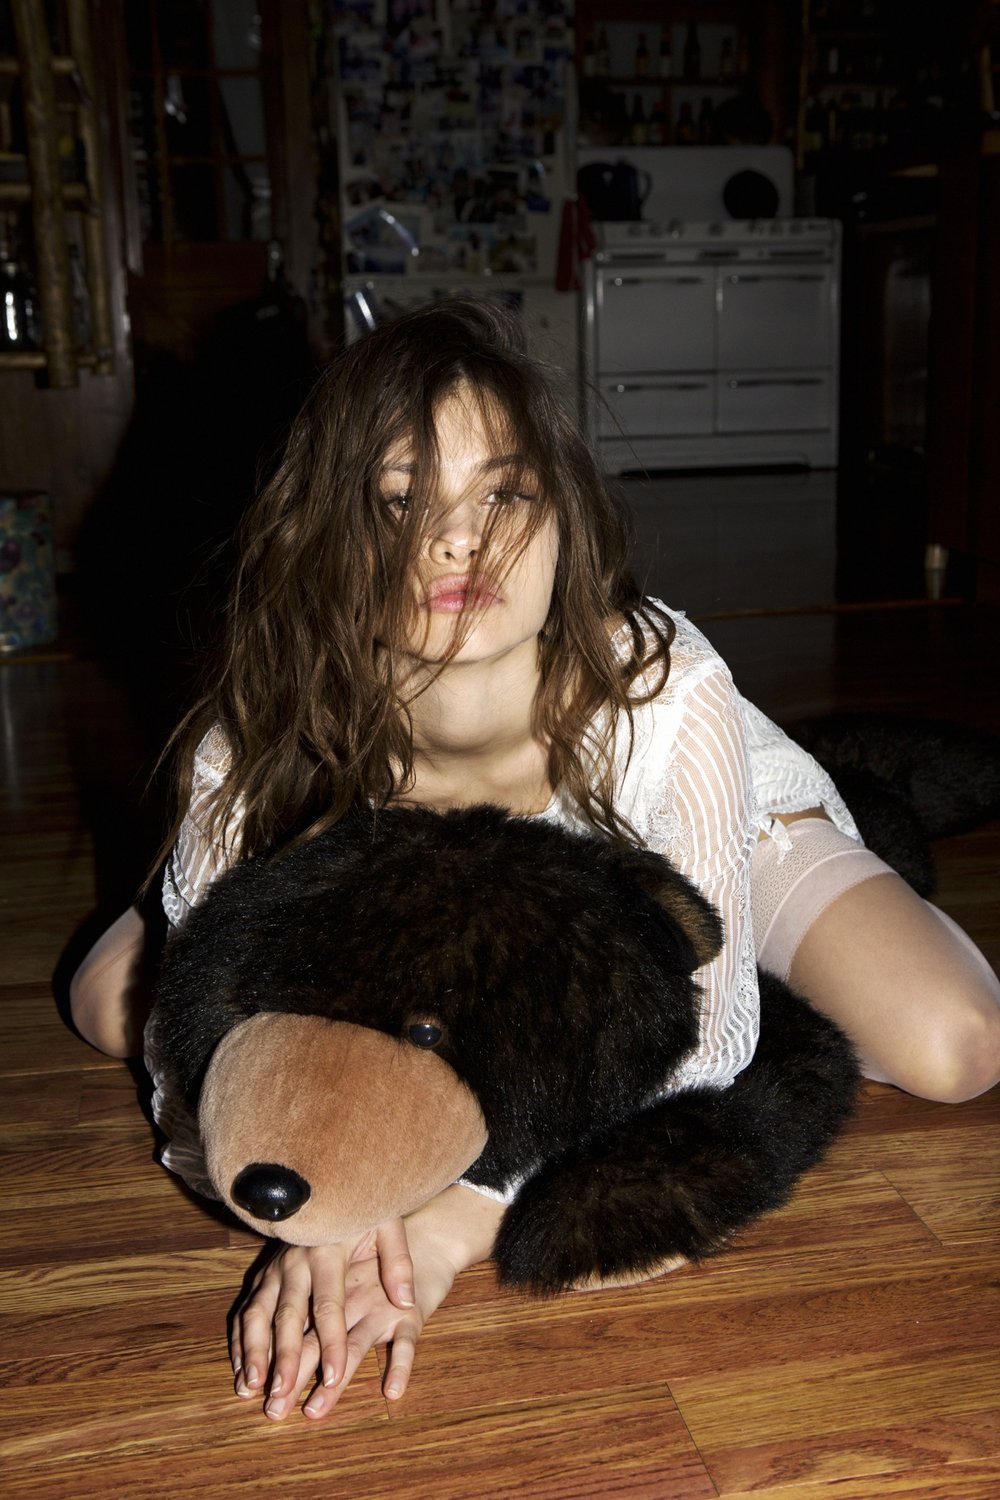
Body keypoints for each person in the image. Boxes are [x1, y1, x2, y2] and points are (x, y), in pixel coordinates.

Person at [69, 296, 1000, 1423]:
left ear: (562, 513)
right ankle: (181, 894)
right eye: (400, 500)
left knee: (958, 1046)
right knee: (107, 1004)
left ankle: (831, 836)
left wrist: (462, 1214)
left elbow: (708, 1040)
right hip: (437, 914)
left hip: (700, 851)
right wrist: (328, 1215)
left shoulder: (666, 691)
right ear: (329, 536)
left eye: (502, 494)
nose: (458, 539)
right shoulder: (258, 738)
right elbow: (193, 1071)